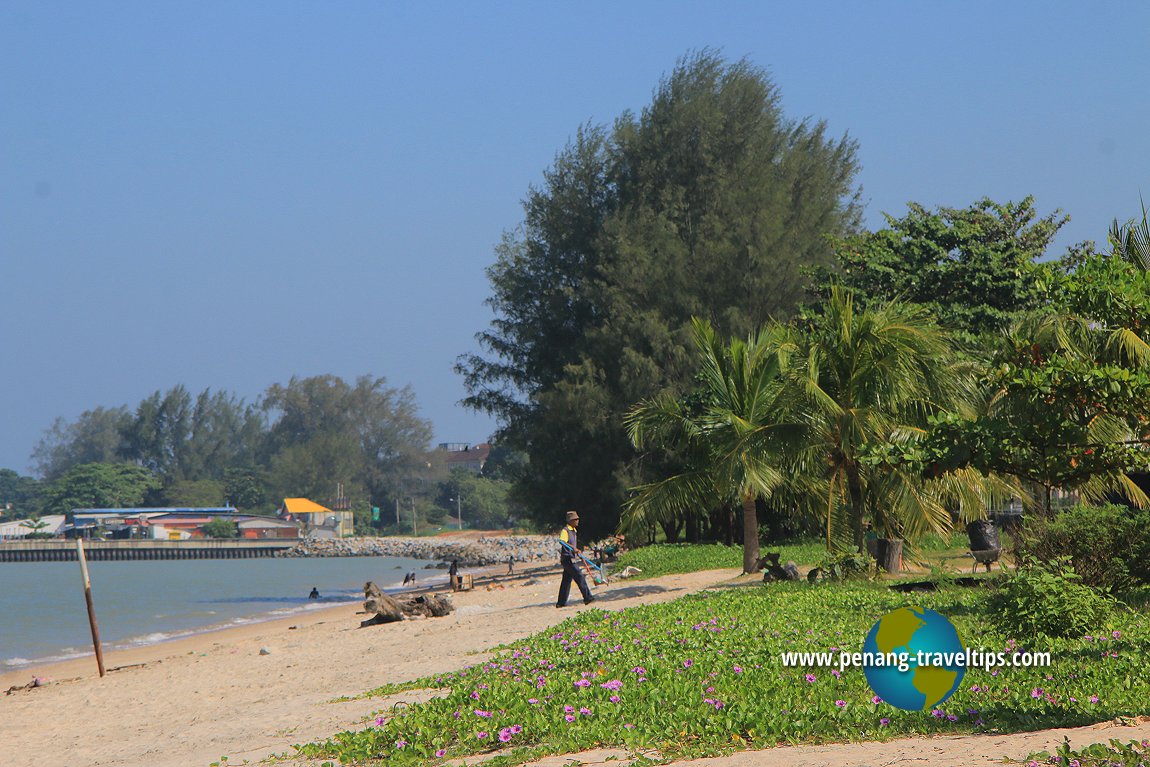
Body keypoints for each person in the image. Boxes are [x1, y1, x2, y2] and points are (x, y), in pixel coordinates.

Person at [556, 510, 594, 608]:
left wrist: (577, 551)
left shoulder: (574, 531)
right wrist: (573, 548)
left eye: (577, 519)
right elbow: (562, 541)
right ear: (570, 521)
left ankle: (561, 603)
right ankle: (587, 597)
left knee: (566, 581)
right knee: (579, 576)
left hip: (571, 557)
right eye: (575, 519)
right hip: (568, 558)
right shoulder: (565, 530)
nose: (577, 521)